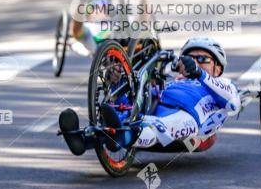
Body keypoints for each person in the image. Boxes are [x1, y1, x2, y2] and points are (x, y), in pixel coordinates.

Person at [58, 37, 241, 155]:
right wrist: (117, 84)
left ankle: (123, 137)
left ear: (218, 68)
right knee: (124, 110)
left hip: (187, 115)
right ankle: (82, 139)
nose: (194, 62)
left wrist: (200, 74)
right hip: (156, 103)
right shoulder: (171, 80)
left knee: (158, 126)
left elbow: (232, 103)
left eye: (202, 59)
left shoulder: (222, 83)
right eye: (189, 59)